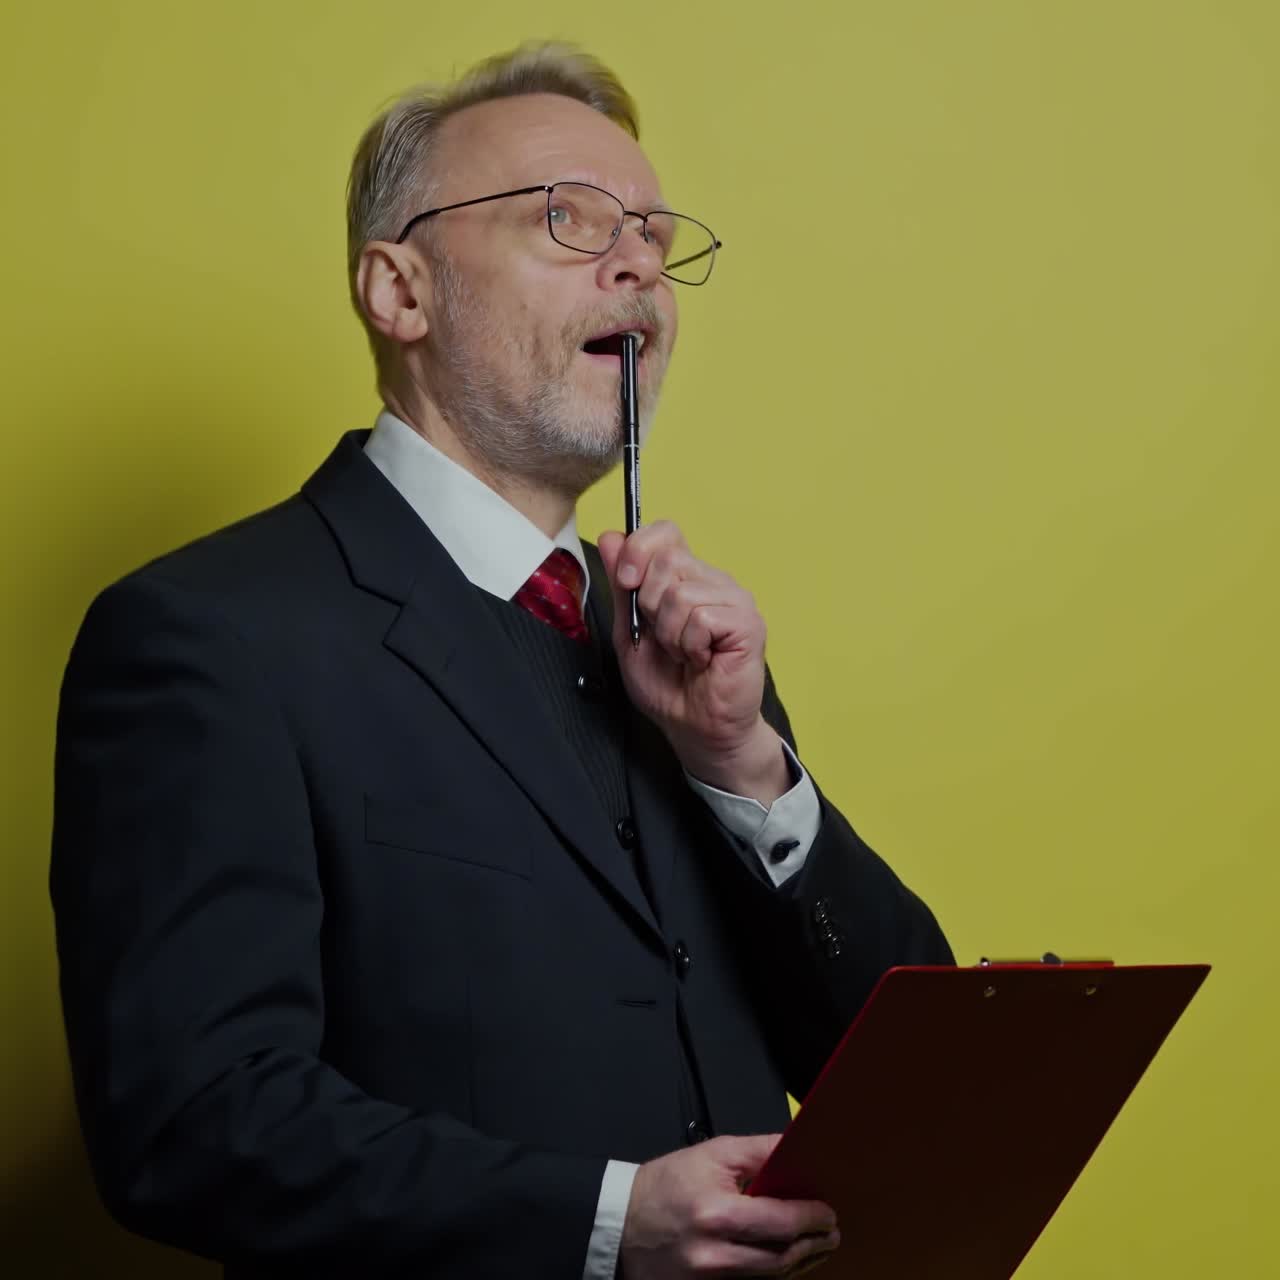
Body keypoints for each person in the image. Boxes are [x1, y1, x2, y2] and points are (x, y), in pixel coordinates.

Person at [50, 42, 953, 1280]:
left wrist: (746, 767)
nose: (635, 261)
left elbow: (911, 1089)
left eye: (649, 232)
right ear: (400, 290)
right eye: (566, 219)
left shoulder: (687, 661)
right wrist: (607, 1222)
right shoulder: (205, 640)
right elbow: (189, 1122)